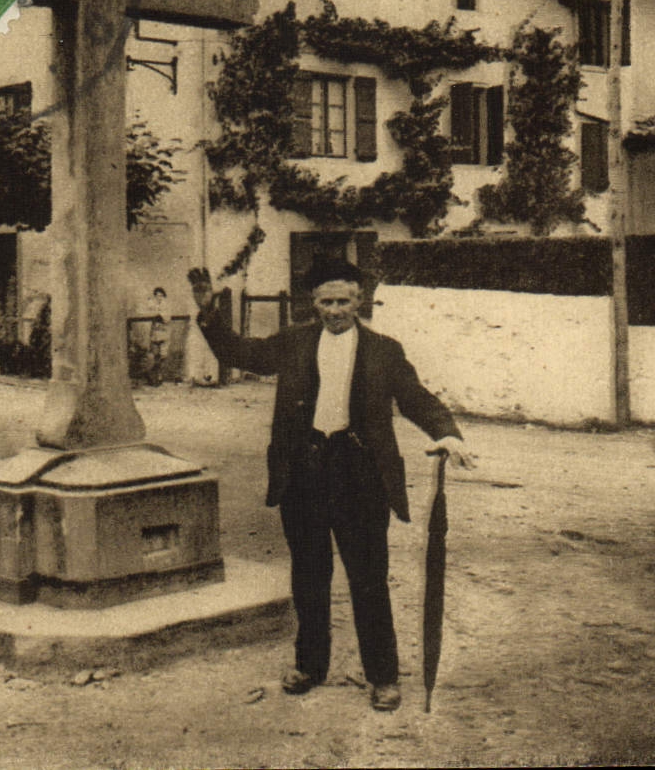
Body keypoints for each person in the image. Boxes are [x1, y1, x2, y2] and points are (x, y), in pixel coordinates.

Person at [187, 260, 475, 712]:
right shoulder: (293, 342)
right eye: (326, 302)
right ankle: (310, 666)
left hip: (361, 476)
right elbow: (240, 354)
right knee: (308, 576)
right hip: (304, 473)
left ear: (360, 300)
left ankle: (382, 677)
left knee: (368, 580)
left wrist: (447, 433)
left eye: (344, 301)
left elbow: (416, 397)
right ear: (313, 303)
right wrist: (208, 312)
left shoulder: (385, 350)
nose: (335, 310)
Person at [146, 287, 172, 387]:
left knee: (163, 356)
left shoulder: (166, 305)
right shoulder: (153, 304)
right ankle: (154, 378)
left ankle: (158, 374)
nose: (159, 297)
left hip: (164, 334)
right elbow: (148, 312)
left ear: (164, 296)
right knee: (154, 355)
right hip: (155, 334)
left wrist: (158, 314)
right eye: (157, 295)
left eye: (161, 295)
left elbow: (166, 318)